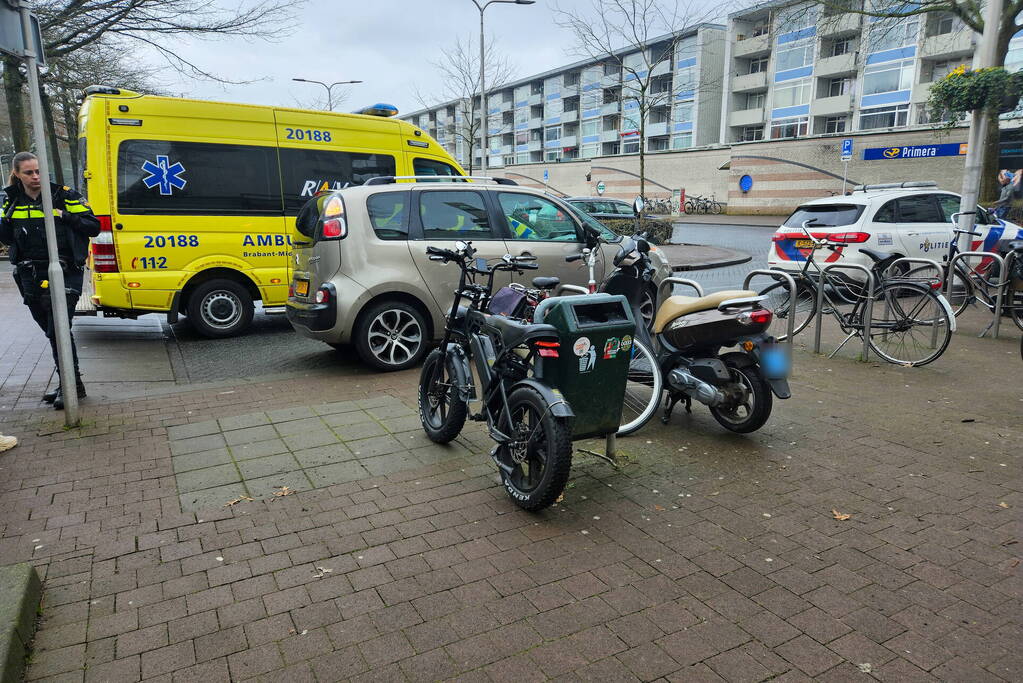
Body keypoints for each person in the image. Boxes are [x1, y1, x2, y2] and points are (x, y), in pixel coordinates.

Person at [0, 152, 100, 410]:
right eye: (29, 173)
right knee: (51, 331)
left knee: (58, 329)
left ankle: (71, 385)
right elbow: (7, 237)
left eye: (39, 171)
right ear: (18, 174)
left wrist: (62, 215)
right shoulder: (11, 199)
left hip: (64, 271)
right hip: (29, 275)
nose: (35, 177)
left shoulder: (65, 195)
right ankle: (71, 383)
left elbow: (93, 226)